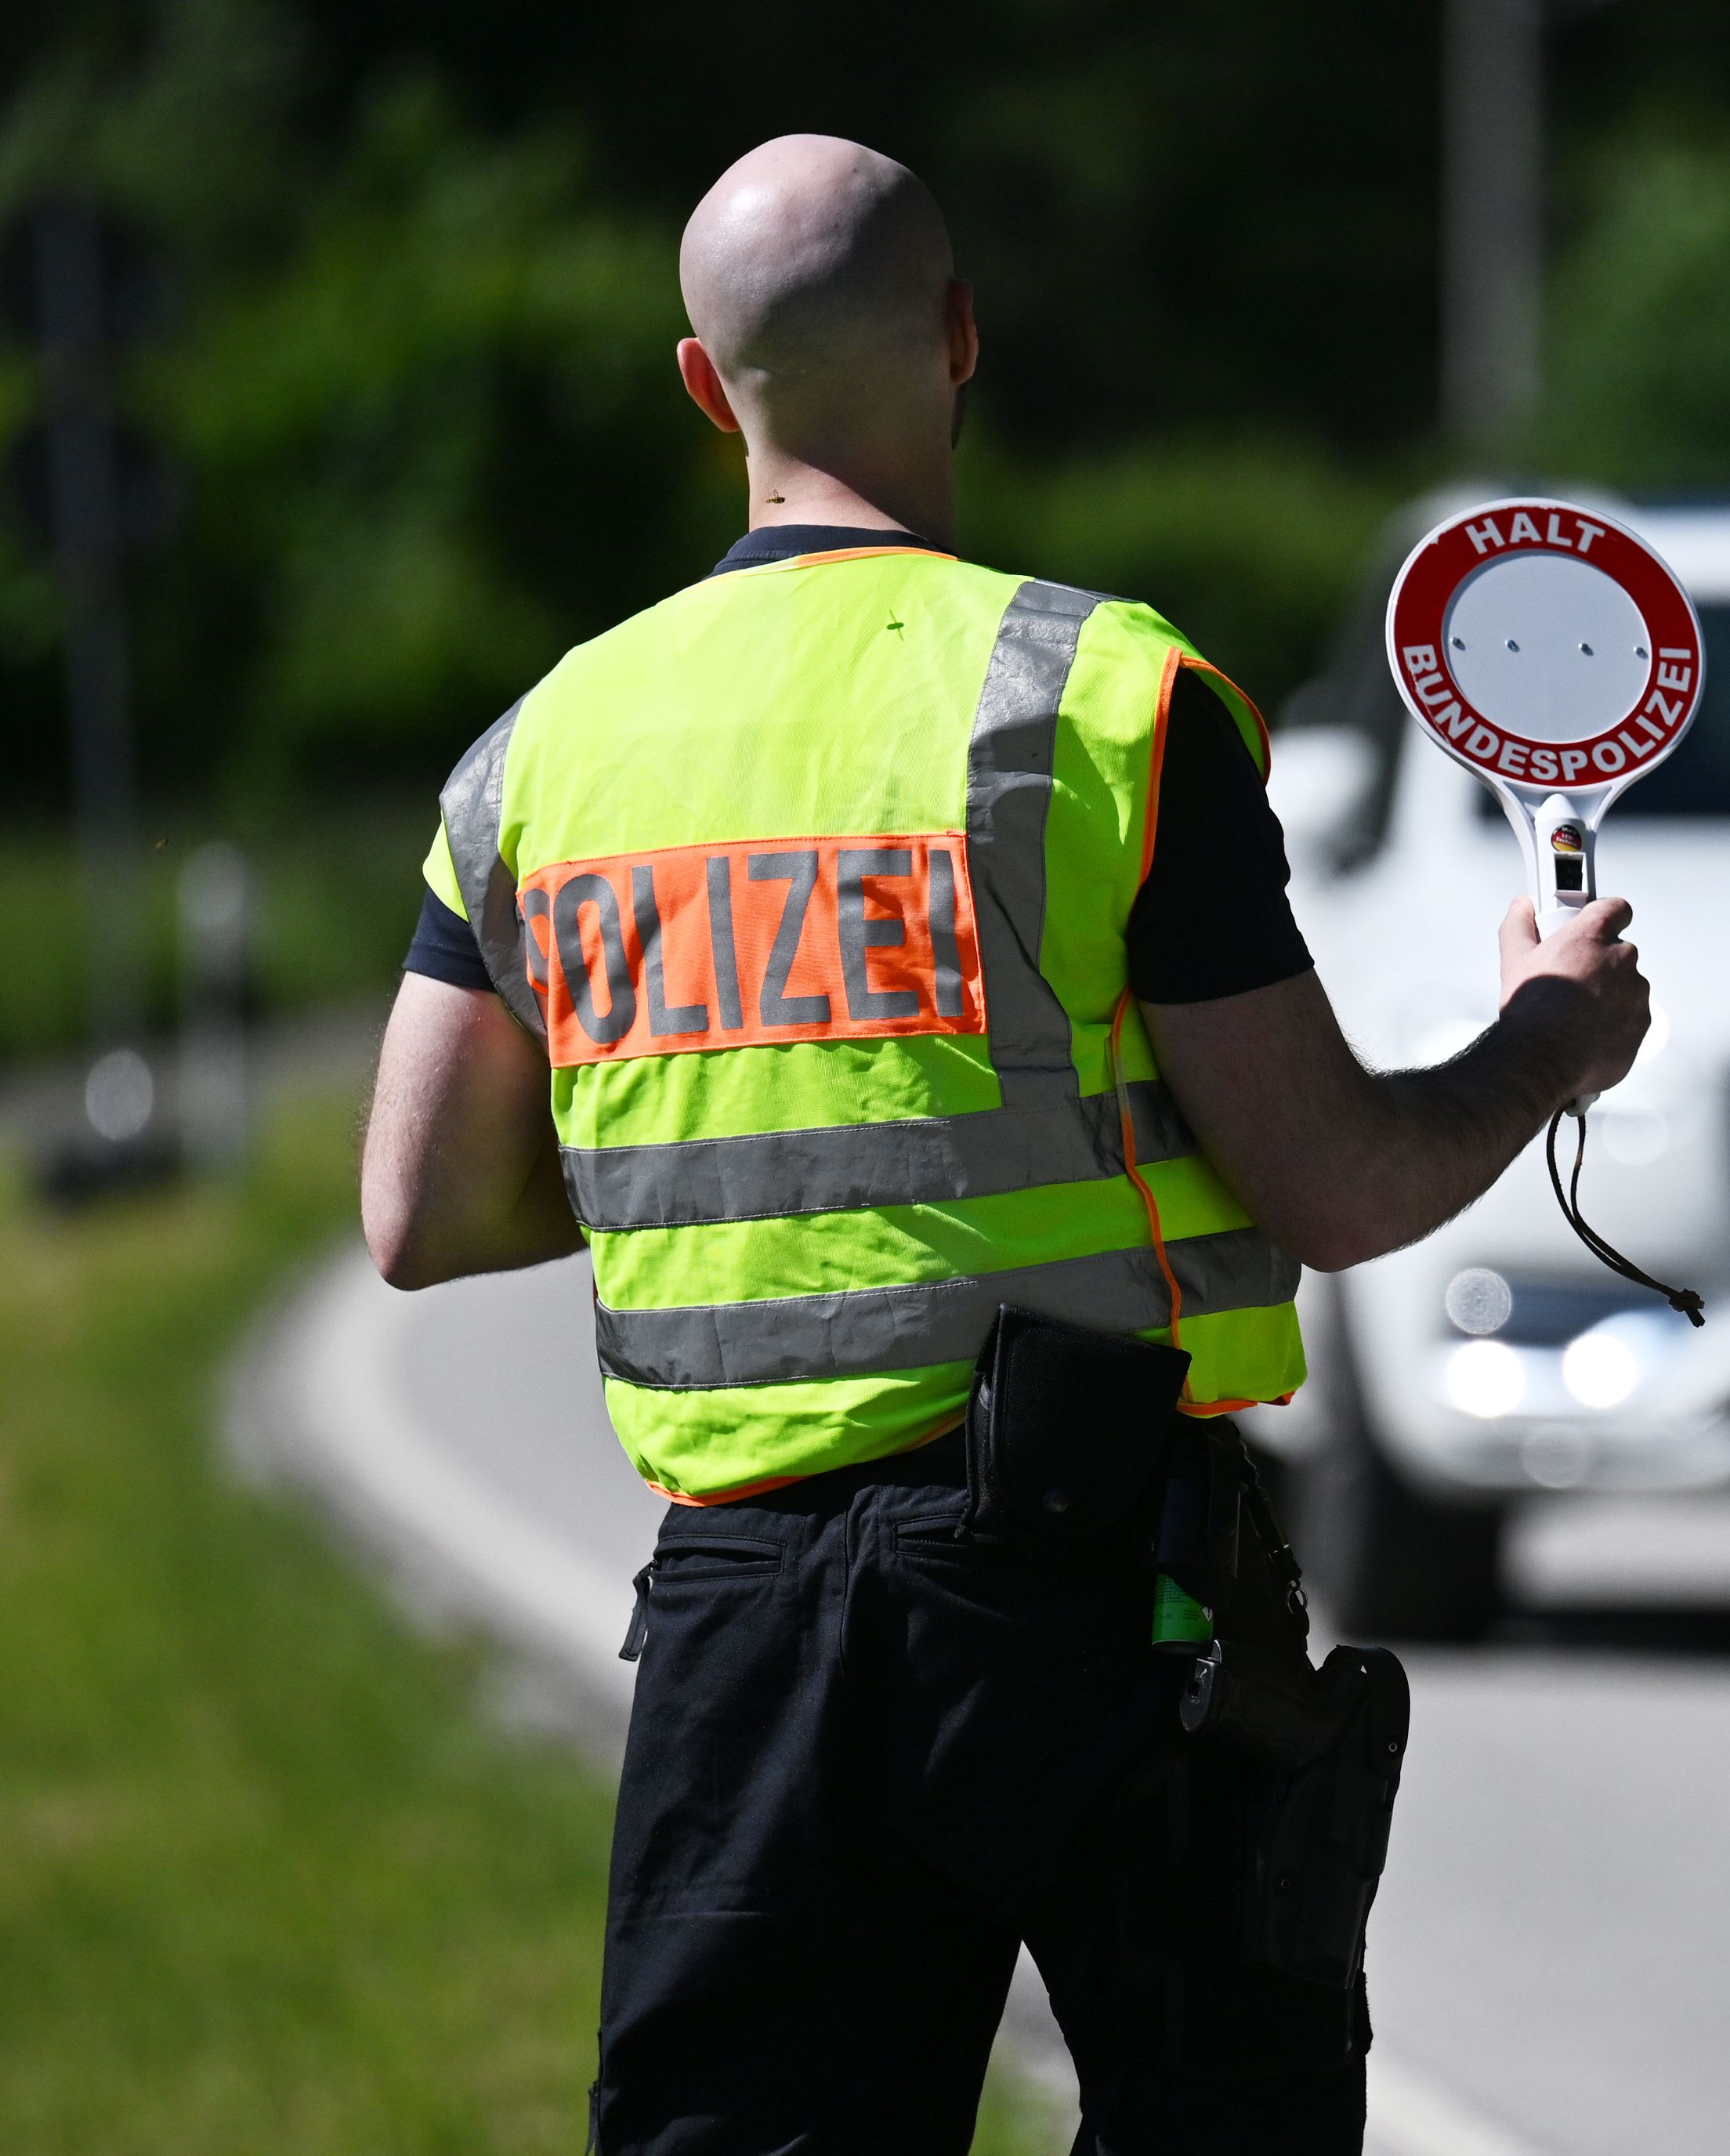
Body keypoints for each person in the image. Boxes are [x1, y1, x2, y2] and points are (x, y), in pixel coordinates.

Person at [357, 134, 1649, 2156]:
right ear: (963, 338)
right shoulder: (1104, 702)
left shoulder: (540, 754)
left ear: (706, 388)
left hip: (744, 1633)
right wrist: (1546, 1038)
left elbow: (414, 1210)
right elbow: (1336, 1182)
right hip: (1104, 1614)